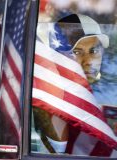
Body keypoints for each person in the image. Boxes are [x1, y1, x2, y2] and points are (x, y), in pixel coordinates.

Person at [33, 13, 109, 153]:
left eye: (94, 50)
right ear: (58, 57)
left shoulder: (107, 93)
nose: (89, 61)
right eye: (77, 52)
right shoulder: (52, 100)